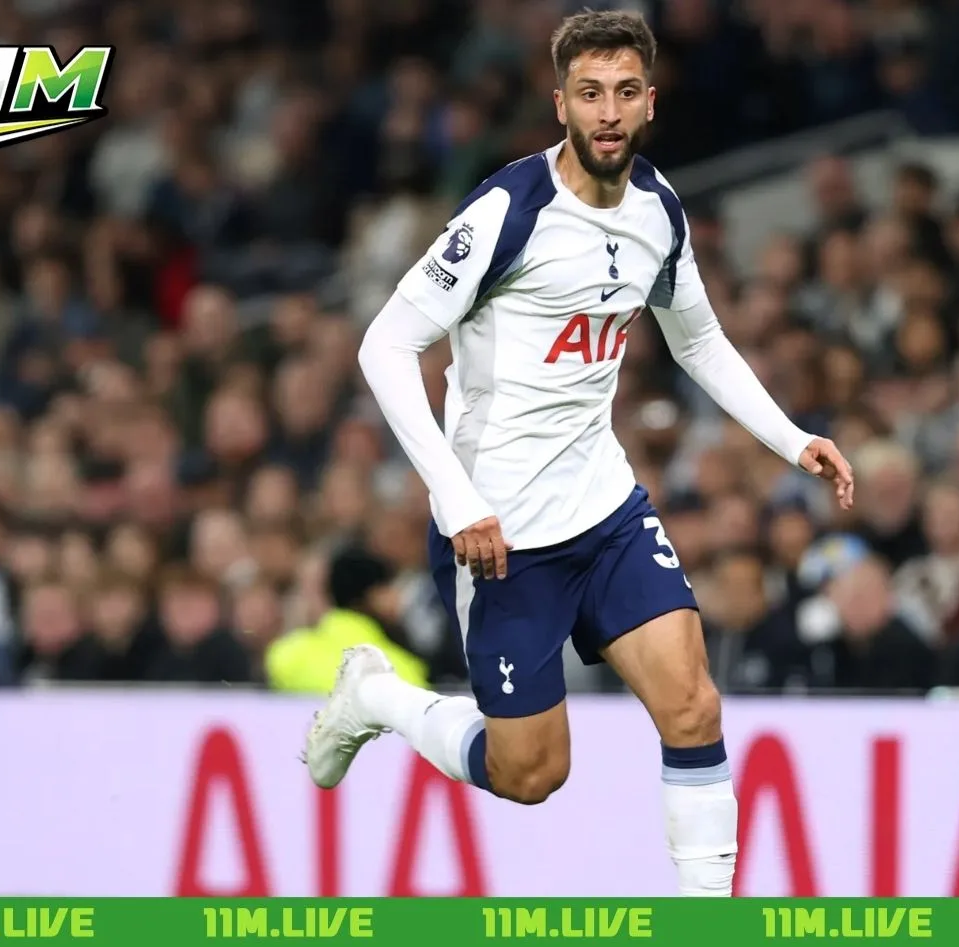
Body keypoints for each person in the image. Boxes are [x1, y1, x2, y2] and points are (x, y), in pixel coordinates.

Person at [304, 10, 853, 898]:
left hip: (604, 510)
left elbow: (699, 339)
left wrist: (794, 439)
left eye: (625, 92)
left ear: (649, 103)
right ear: (560, 103)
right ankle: (377, 697)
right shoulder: (508, 211)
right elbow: (385, 346)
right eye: (589, 93)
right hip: (501, 531)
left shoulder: (657, 210)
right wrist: (456, 499)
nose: (608, 111)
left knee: (693, 704)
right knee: (531, 772)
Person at [266, 547, 429, 694]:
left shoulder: (285, 655)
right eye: (389, 589)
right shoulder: (405, 672)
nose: (397, 598)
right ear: (373, 595)